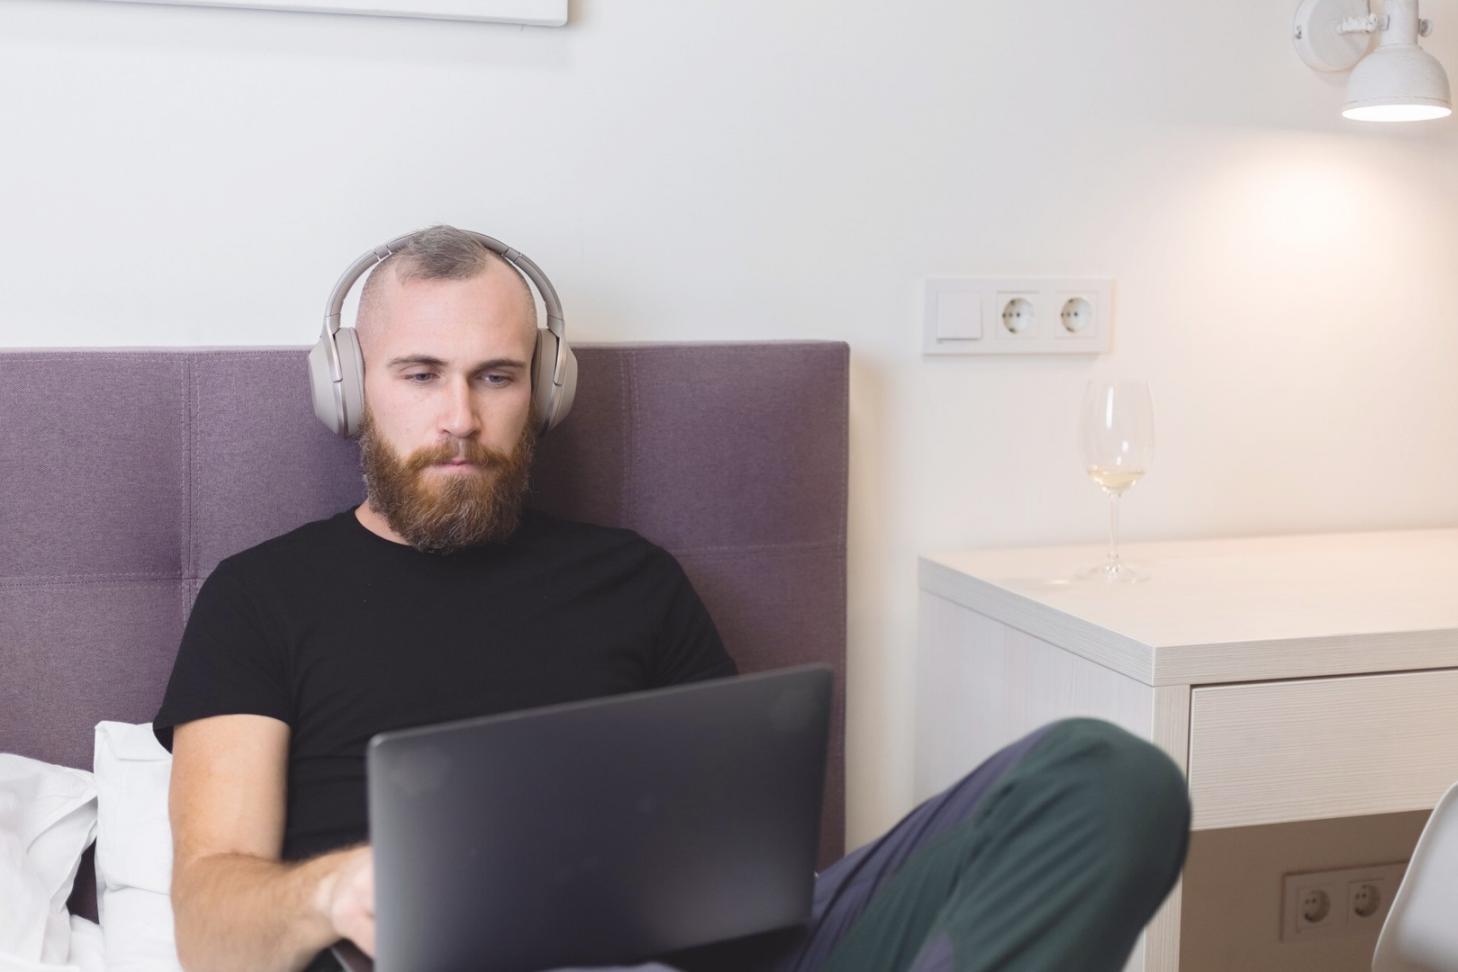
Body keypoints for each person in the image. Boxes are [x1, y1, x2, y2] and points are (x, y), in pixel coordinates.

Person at [153, 225, 1191, 972]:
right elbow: (208, 924)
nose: (459, 417)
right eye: (419, 374)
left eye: (496, 377)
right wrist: (333, 890)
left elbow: (748, 860)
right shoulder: (265, 596)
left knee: (1108, 776)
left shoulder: (633, 578)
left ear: (546, 391)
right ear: (349, 387)